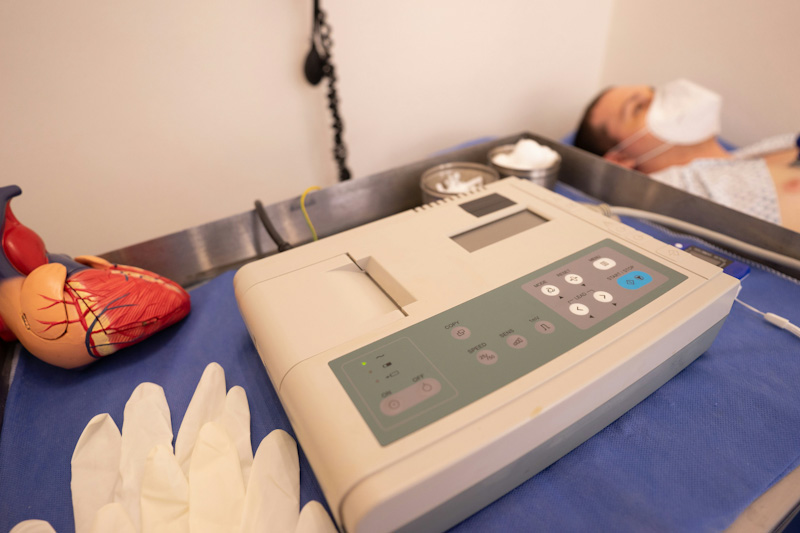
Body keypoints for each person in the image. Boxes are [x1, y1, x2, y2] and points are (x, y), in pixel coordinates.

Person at [573, 80, 800, 232]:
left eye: (654, 92)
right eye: (639, 106)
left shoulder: (760, 152)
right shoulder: (676, 189)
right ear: (620, 160)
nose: (663, 98)